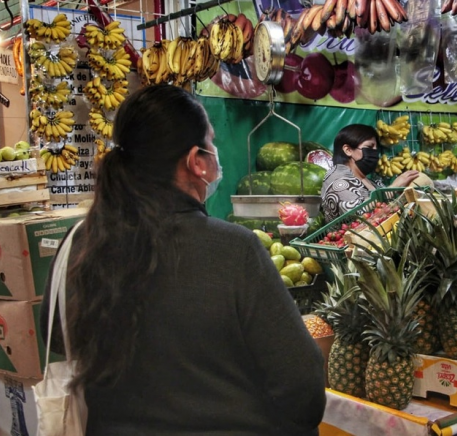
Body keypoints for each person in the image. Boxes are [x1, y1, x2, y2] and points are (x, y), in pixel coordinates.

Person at [41, 85, 326, 435]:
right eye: (211, 142)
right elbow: (303, 387)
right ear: (196, 161)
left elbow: (59, 339)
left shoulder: (79, 244)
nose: (216, 154)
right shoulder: (234, 250)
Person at [321, 124, 419, 222]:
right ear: (348, 150)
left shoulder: (369, 181)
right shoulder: (336, 180)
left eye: (376, 149)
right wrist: (394, 187)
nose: (375, 153)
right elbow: (357, 215)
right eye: (369, 147)